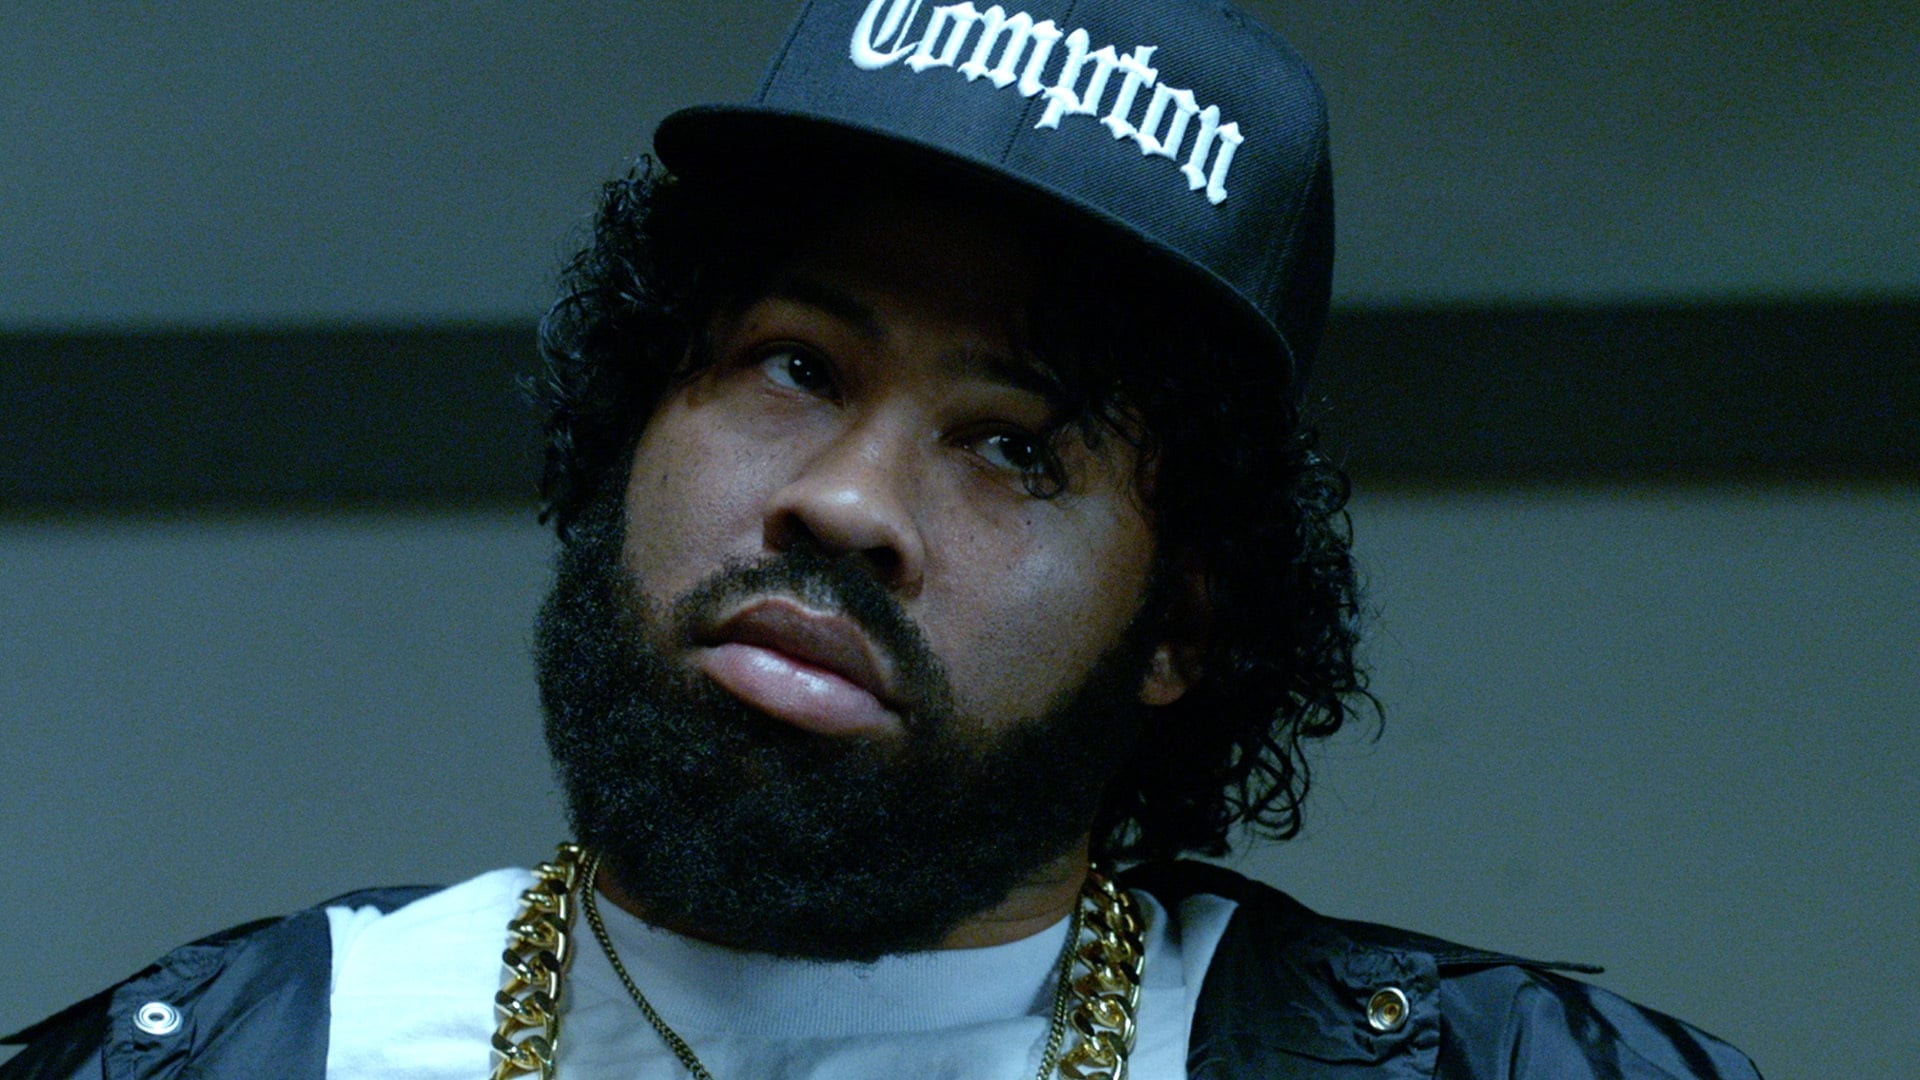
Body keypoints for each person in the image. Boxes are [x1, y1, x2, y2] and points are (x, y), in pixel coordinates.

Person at [2, 1, 1762, 1077]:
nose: (846, 501)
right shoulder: (238, 1057)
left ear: (1184, 620)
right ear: (635, 409)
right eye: (794, 364)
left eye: (1013, 446)